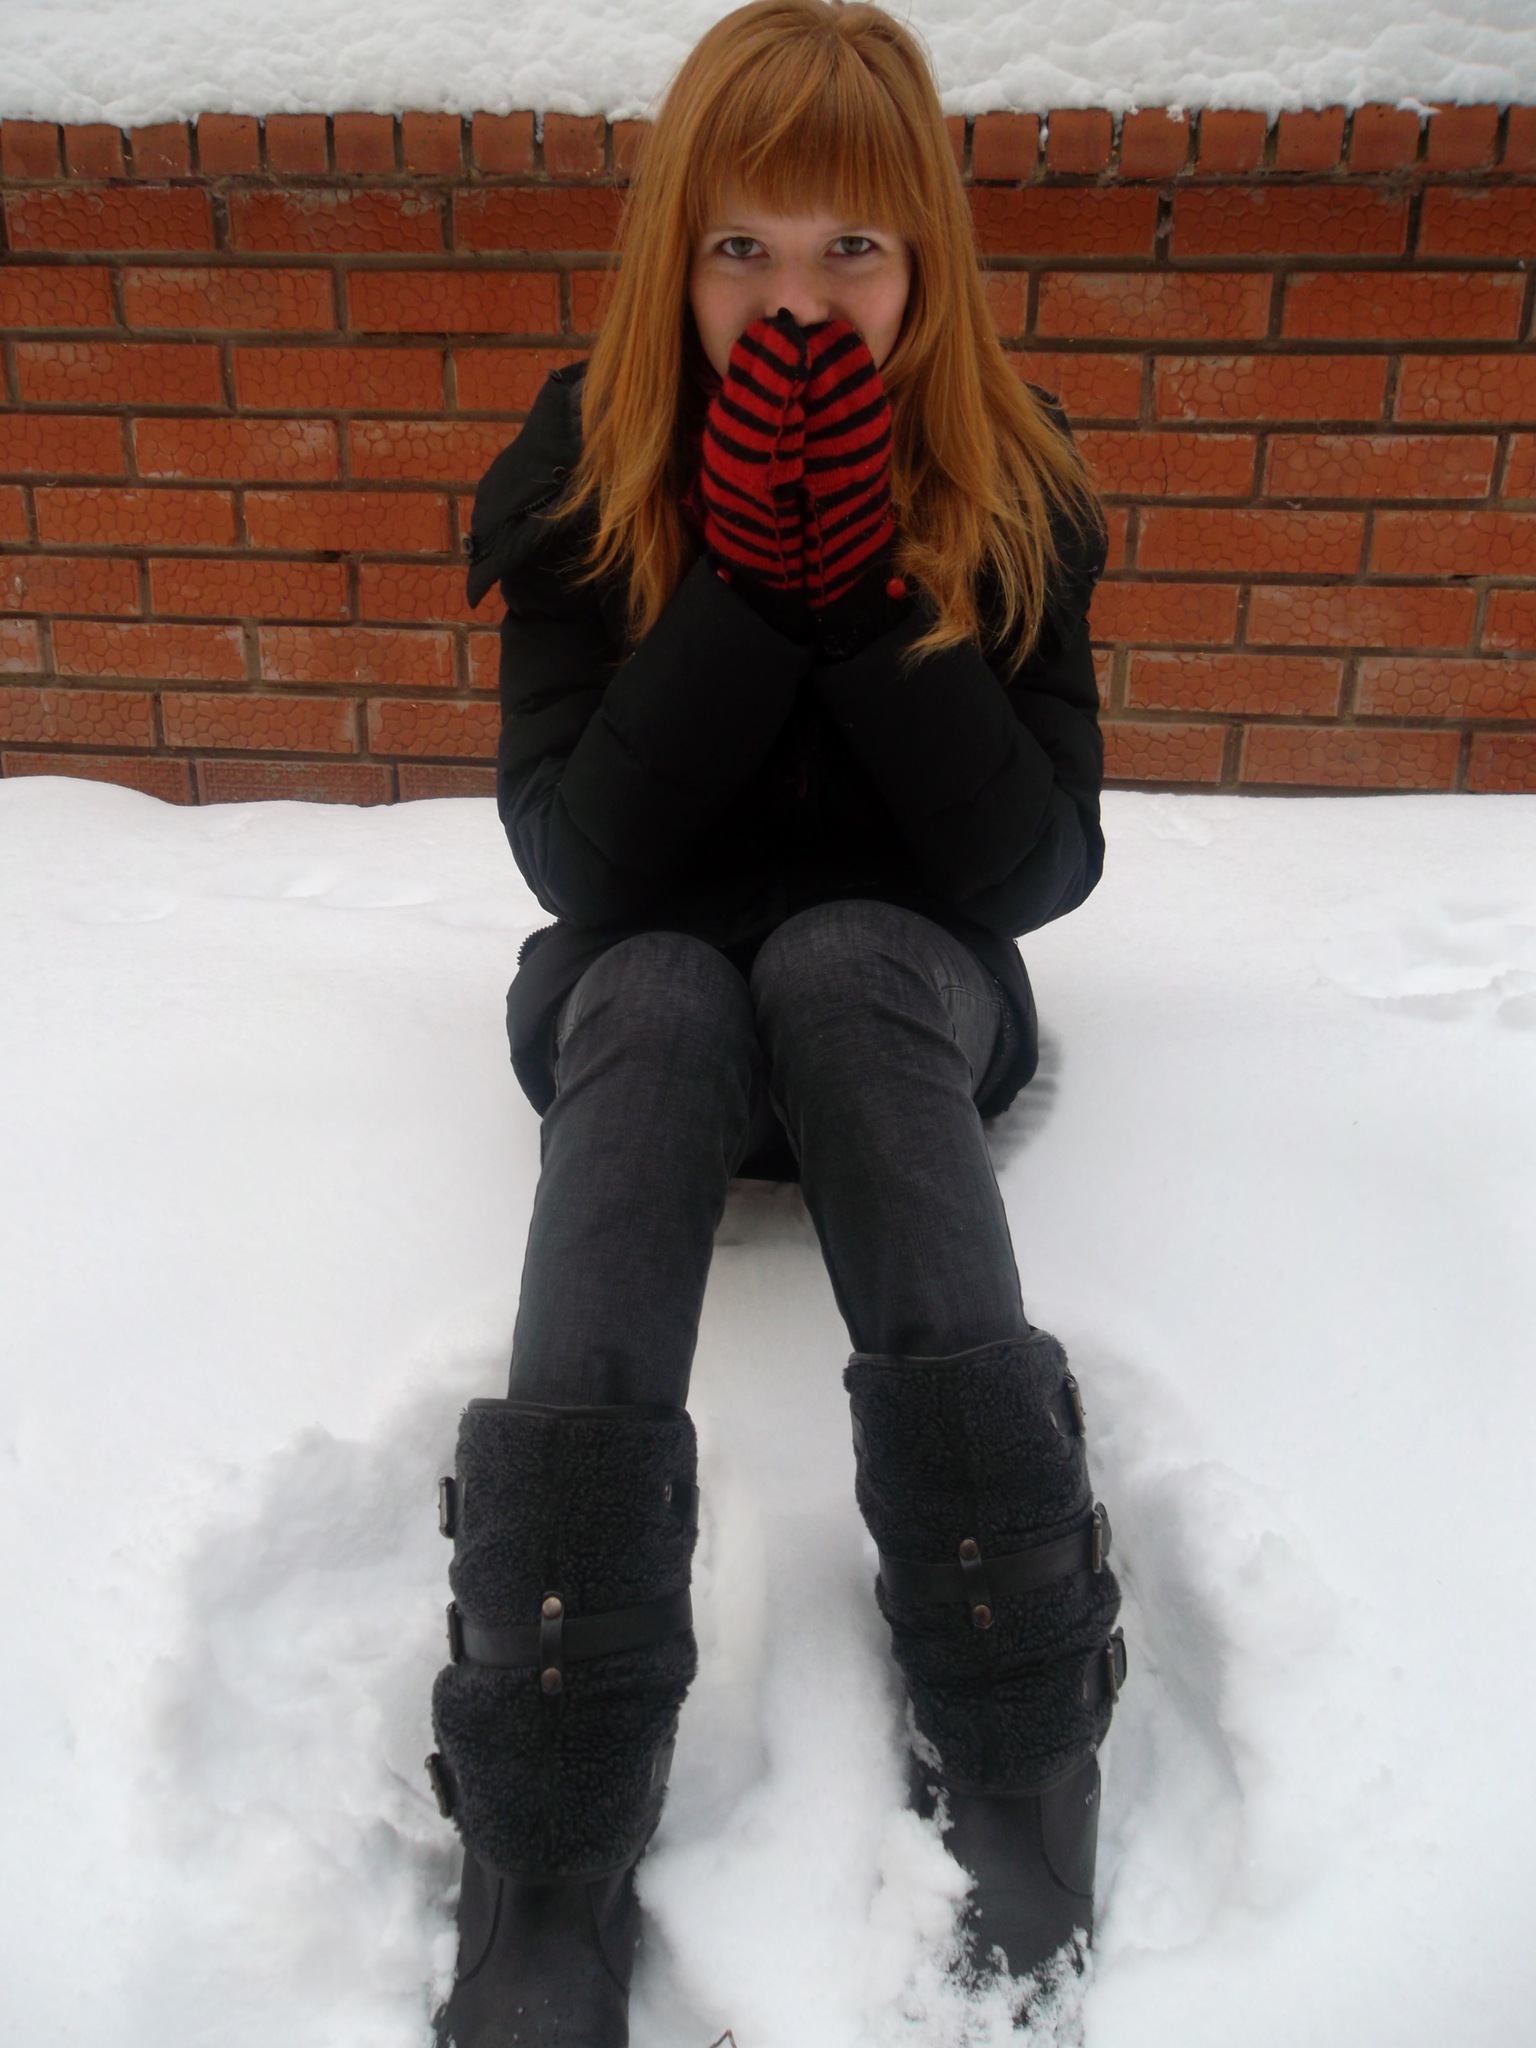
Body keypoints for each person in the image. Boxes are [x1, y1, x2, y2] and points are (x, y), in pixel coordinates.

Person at [425, 3, 1125, 2040]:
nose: (796, 300)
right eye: (743, 247)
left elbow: (1037, 866)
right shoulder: (586, 468)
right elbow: (579, 858)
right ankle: (549, 1817)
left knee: (835, 959)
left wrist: (877, 602)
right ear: (676, 251)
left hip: (904, 1003)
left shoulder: (1008, 475)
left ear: (926, 264)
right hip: (647, 1017)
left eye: (851, 250)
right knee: (657, 984)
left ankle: (1018, 1713)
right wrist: (737, 594)